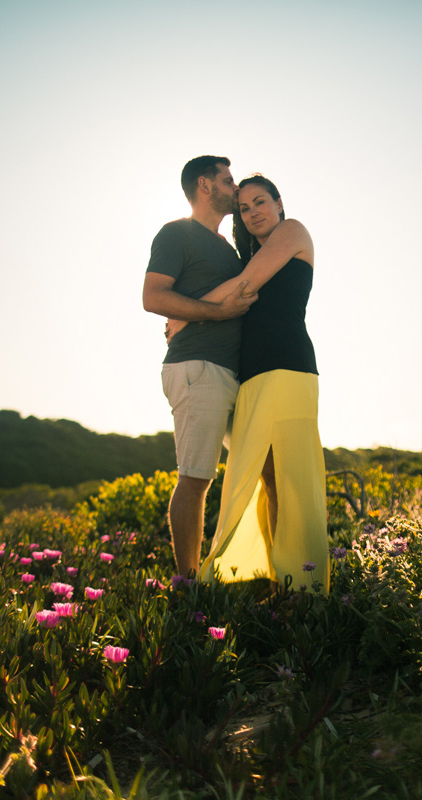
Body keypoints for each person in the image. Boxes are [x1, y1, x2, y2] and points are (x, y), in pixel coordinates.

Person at [170, 174, 329, 593]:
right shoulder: (252, 251)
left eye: (260, 202)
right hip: (252, 375)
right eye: (244, 208)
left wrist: (184, 314)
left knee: (291, 479)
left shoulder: (292, 232)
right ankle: (281, 580)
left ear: (279, 204)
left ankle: (298, 586)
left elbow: (244, 285)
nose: (253, 212)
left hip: (287, 368)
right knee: (271, 478)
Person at [142, 156, 257, 578]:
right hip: (197, 366)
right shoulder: (177, 234)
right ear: (205, 185)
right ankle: (187, 585)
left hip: (232, 373)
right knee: (195, 479)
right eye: (228, 180)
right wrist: (214, 312)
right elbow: (153, 297)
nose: (235, 186)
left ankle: (250, 566)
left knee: (263, 466)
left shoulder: (228, 248)